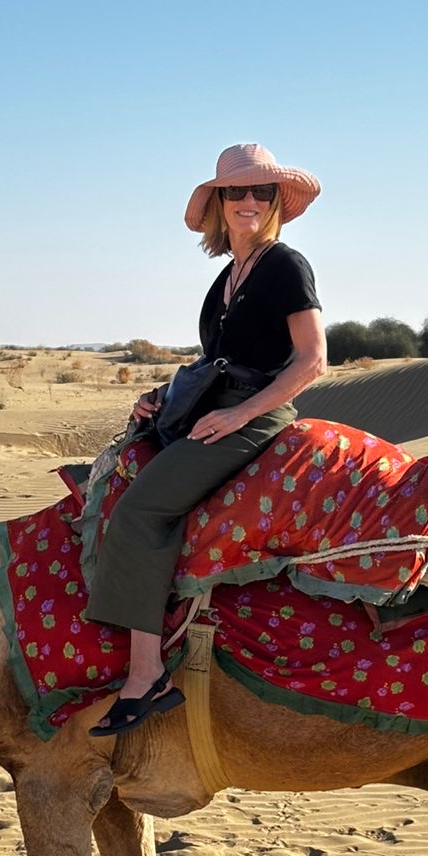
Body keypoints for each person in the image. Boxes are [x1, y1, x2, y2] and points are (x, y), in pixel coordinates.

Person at [86, 143, 326, 736]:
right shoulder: (229, 274)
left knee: (142, 510)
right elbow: (218, 360)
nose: (248, 201)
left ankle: (147, 674)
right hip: (211, 409)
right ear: (220, 202)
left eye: (260, 192)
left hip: (254, 417)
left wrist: (242, 413)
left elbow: (313, 360)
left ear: (275, 203)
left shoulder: (283, 265)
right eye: (236, 191)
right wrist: (164, 397)